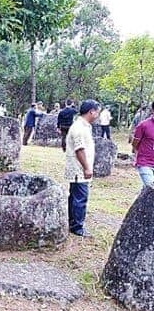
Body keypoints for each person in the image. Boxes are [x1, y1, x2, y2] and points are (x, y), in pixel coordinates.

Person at [65, 99, 101, 237]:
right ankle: (77, 227)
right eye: (97, 112)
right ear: (91, 111)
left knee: (75, 196)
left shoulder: (84, 126)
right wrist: (87, 168)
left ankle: (73, 222)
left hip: (79, 168)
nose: (97, 115)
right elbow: (79, 149)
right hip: (78, 169)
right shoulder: (79, 128)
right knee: (80, 197)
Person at [132, 101, 154, 189]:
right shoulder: (143, 125)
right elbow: (135, 144)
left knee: (147, 192)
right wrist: (137, 157)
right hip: (145, 163)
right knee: (151, 189)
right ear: (153, 110)